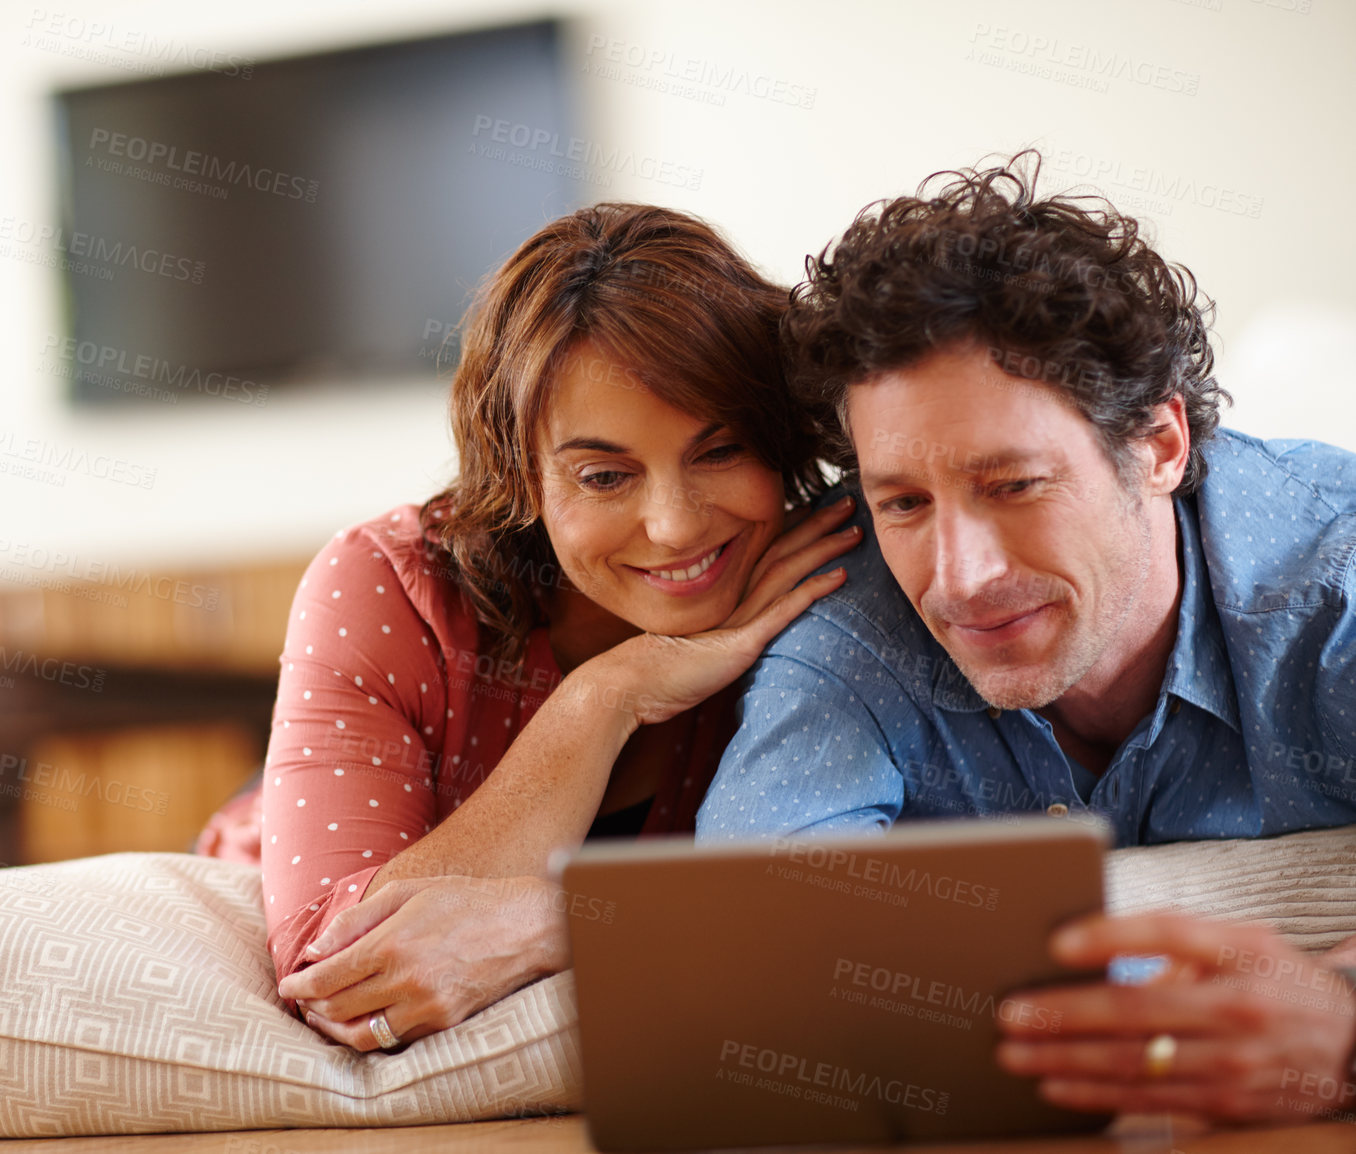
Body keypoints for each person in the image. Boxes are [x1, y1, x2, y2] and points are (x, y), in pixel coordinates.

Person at [697, 154, 1356, 1123]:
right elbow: (752, 935)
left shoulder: (1330, 579)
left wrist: (1340, 1019)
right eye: (905, 502)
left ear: (1159, 444)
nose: (959, 577)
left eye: (1013, 485)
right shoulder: (851, 629)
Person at [196, 202, 861, 1052]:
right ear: (523, 473)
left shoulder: (829, 580)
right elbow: (342, 970)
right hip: (271, 836)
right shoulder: (386, 585)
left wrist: (563, 920)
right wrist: (611, 693)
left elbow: (857, 908)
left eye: (721, 453)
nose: (676, 526)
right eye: (603, 476)